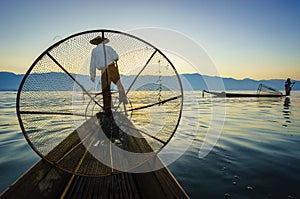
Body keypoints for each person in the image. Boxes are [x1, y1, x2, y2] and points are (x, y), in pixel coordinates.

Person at [89, 35, 128, 114]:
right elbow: (116, 57)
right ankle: (123, 100)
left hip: (104, 71)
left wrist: (92, 75)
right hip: (112, 68)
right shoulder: (109, 48)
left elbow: (92, 64)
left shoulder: (94, 51)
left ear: (96, 43)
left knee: (106, 89)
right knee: (119, 84)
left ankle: (108, 107)